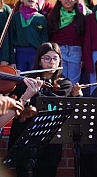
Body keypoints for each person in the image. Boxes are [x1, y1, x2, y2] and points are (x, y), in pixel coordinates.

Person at [8, 42, 73, 177]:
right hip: (24, 141)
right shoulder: (25, 82)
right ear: (39, 61)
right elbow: (13, 107)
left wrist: (35, 92)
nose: (51, 62)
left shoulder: (64, 84)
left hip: (49, 143)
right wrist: (17, 82)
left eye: (55, 58)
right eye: (47, 58)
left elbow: (52, 101)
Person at [1, 0, 48, 71]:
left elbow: (44, 40)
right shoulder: (15, 17)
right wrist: (12, 60)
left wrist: (43, 57)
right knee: (19, 80)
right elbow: (10, 40)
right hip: (19, 54)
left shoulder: (41, 18)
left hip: (35, 53)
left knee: (33, 78)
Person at [48, 0, 86, 84]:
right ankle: (61, 100)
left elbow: (83, 38)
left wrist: (83, 58)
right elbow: (49, 36)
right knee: (60, 80)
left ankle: (72, 100)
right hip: (59, 51)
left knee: (74, 81)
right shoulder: (52, 16)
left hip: (75, 52)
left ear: (76, 0)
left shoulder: (81, 18)